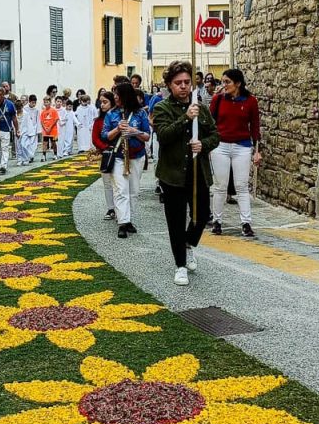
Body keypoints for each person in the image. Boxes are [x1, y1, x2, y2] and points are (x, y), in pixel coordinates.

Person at [153, 60, 219, 286]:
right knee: (176, 220)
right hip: (173, 174)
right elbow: (163, 135)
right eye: (178, 83)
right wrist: (185, 119)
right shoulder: (162, 108)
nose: (183, 86)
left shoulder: (202, 108)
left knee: (201, 215)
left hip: (197, 171)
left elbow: (215, 135)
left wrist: (203, 144)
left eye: (187, 82)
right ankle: (180, 265)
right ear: (170, 85)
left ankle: (189, 243)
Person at [208, 68, 262, 238]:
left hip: (242, 146)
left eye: (227, 82)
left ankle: (246, 222)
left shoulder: (250, 101)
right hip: (221, 145)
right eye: (222, 82)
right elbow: (211, 121)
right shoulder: (218, 100)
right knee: (220, 186)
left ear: (237, 83)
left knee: (241, 185)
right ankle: (217, 221)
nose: (224, 85)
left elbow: (254, 125)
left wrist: (257, 150)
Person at [101, 81, 152, 239]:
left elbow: (147, 135)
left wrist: (133, 131)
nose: (115, 97)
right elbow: (105, 135)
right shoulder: (111, 114)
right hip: (118, 156)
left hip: (136, 155)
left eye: (118, 94)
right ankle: (122, 222)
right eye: (114, 94)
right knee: (120, 189)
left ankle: (129, 219)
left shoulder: (140, 114)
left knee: (134, 190)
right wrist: (118, 129)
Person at [91, 90, 117, 221]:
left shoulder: (117, 118)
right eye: (101, 102)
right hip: (105, 154)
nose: (102, 105)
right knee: (107, 183)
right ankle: (110, 208)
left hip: (118, 153)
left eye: (105, 102)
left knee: (118, 183)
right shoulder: (98, 121)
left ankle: (120, 209)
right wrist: (105, 147)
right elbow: (95, 138)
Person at [18, 94, 40, 165]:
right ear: (29, 102)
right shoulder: (24, 109)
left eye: (35, 103)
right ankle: (27, 156)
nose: (34, 104)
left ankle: (31, 156)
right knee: (26, 144)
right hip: (26, 129)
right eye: (32, 102)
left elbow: (38, 120)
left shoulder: (36, 110)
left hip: (34, 128)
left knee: (33, 144)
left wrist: (38, 130)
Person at [40, 93, 59, 160]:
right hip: (45, 131)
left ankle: (55, 154)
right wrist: (45, 128)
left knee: (53, 142)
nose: (46, 103)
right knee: (45, 143)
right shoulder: (43, 112)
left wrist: (50, 127)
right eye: (45, 102)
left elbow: (56, 119)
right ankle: (44, 155)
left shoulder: (53, 110)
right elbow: (42, 121)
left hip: (53, 130)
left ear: (50, 102)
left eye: (47, 102)